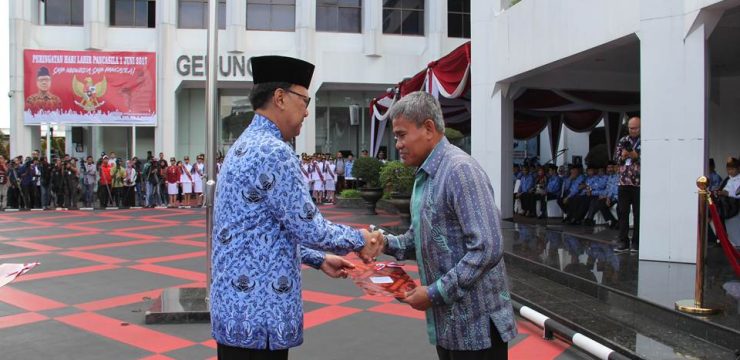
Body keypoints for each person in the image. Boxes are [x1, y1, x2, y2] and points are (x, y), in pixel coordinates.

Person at [211, 55, 383, 360]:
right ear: (279, 98)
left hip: (236, 314)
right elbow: (309, 227)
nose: (307, 111)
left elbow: (258, 231)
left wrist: (319, 259)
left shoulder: (242, 146)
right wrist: (360, 240)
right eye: (304, 100)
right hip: (261, 317)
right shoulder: (274, 152)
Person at [379, 91, 517, 359]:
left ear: (428, 128)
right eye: (396, 136)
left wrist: (434, 292)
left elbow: (487, 248)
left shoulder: (459, 171)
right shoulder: (429, 173)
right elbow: (421, 237)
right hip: (450, 324)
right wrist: (383, 242)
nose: (398, 144)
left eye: (401, 134)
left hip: (477, 327)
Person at [615, 116, 641, 253]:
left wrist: (631, 153)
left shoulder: (645, 140)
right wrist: (625, 156)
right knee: (623, 212)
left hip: (639, 183)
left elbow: (640, 157)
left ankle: (637, 242)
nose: (633, 130)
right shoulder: (623, 140)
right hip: (624, 182)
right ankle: (623, 241)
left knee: (638, 213)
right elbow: (617, 159)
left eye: (635, 128)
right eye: (630, 128)